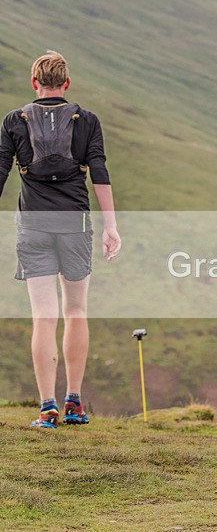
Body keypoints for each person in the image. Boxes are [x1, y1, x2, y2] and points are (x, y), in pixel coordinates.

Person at [0, 51, 122, 428]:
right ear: (66, 83)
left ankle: (46, 407)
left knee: (43, 318)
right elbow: (98, 170)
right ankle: (74, 402)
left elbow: (1, 171)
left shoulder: (13, 121)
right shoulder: (86, 121)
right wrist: (111, 226)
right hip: (75, 227)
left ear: (34, 83)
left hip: (33, 227)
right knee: (76, 312)